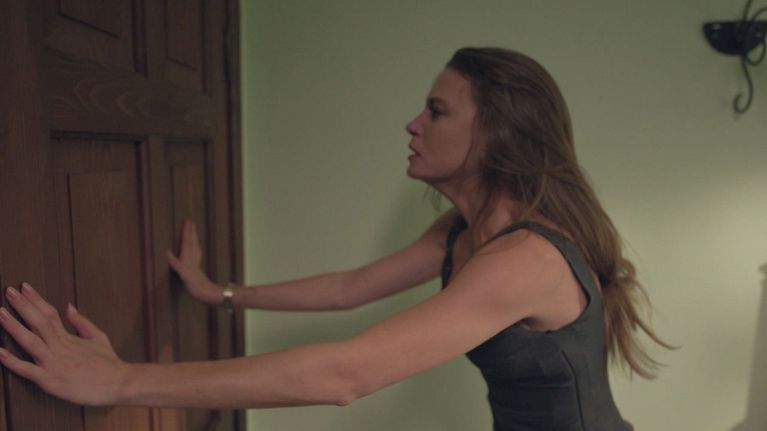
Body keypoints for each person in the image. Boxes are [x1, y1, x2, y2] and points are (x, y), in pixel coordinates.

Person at [0, 47, 668, 430]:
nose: (412, 123)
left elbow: (343, 374)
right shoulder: (464, 232)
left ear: (495, 135)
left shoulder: (526, 260)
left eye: (435, 110)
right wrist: (219, 292)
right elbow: (349, 287)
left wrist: (120, 380)